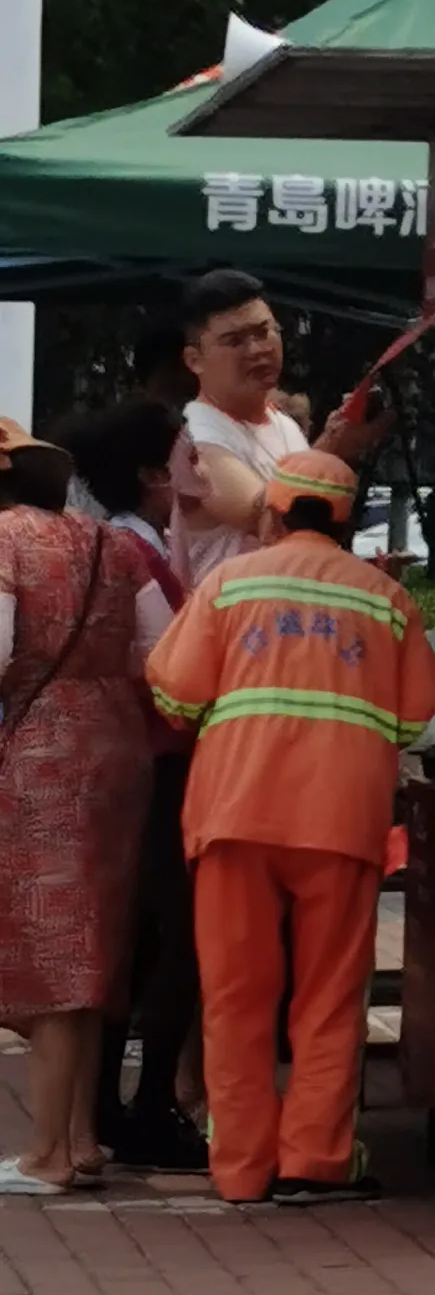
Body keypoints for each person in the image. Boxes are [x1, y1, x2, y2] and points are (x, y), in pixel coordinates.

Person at [147, 448, 435, 1204]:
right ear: (347, 521)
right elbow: (415, 711)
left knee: (236, 996)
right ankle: (315, 1161)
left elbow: (176, 694)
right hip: (340, 819)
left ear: (274, 511)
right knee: (328, 997)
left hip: (234, 813)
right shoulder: (384, 599)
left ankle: (240, 1167)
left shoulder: (227, 584)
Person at [0, 421, 171, 1195]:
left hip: (43, 750)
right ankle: (83, 1140)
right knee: (97, 941)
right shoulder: (115, 543)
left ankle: (45, 1156)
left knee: (53, 951)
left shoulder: (4, 539)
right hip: (120, 748)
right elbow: (160, 651)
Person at [66, 404, 205, 1170]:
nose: (202, 467)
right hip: (163, 760)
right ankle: (146, 1104)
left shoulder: (129, 544)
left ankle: (111, 1108)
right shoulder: (136, 553)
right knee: (170, 937)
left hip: (137, 759)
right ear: (155, 476)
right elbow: (169, 665)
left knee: (139, 934)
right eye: (189, 456)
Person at [168, 270, 389, 592]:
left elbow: (301, 533)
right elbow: (267, 518)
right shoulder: (195, 437)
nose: (257, 349)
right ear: (194, 360)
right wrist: (331, 446)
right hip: (230, 632)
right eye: (235, 341)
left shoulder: (281, 423)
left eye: (264, 331)